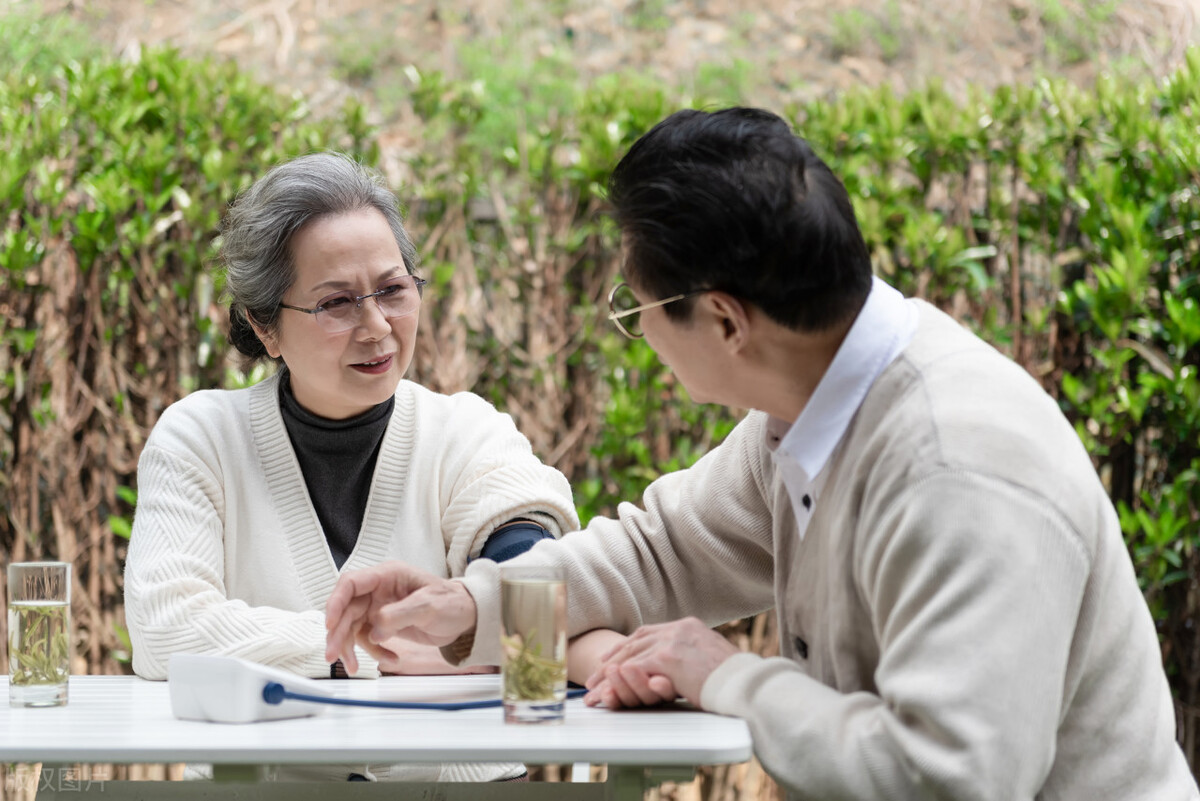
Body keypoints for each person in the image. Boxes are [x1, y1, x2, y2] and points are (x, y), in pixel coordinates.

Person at [324, 108, 1200, 800]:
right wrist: (467, 607)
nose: (640, 341)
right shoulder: (809, 410)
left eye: (637, 313)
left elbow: (951, 778)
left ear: (726, 320)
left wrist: (730, 675)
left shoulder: (957, 465)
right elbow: (657, 551)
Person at [124, 152, 579, 783]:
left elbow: (534, 593)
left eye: (393, 290)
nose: (376, 327)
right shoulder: (201, 437)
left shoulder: (467, 432)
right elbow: (165, 632)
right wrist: (373, 651)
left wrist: (483, 624)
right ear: (265, 326)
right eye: (336, 303)